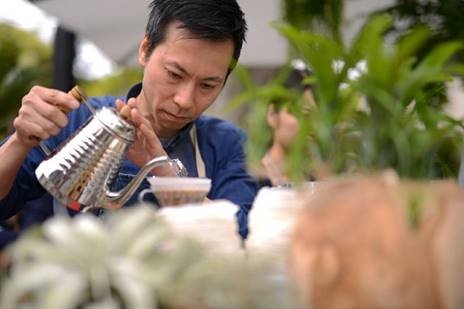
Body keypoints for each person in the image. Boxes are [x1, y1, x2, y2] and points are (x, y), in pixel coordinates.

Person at [0, 0, 257, 240]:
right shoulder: (78, 118)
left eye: (208, 85)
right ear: (145, 50)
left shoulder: (225, 144)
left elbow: (241, 237)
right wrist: (20, 142)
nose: (185, 100)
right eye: (175, 74)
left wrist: (164, 173)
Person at [257, 63, 316, 188]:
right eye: (300, 113)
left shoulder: (318, 181)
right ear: (272, 114)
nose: (310, 123)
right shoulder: (250, 181)